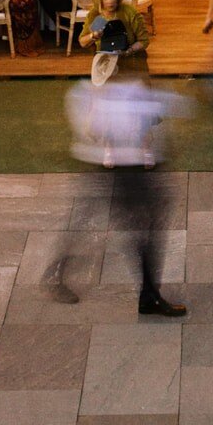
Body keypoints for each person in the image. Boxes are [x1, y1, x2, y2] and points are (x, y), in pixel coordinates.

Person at [63, 75, 189, 314]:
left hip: (128, 170)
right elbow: (97, 130)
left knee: (143, 228)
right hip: (123, 173)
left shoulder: (123, 92)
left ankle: (148, 294)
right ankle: (148, 296)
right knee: (144, 231)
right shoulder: (104, 96)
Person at [78, 0, 150, 63]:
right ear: (100, 0)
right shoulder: (96, 14)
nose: (110, 1)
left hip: (130, 58)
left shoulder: (128, 12)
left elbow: (144, 41)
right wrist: (93, 35)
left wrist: (129, 51)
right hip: (105, 60)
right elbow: (83, 42)